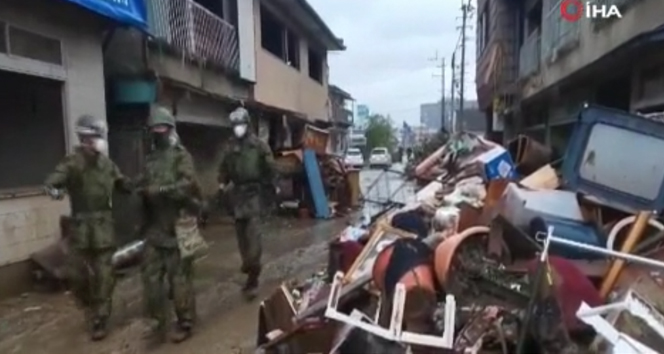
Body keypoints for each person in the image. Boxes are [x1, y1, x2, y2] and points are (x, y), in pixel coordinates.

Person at [43, 114, 132, 341]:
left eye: (94, 138)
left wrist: (132, 186)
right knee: (76, 276)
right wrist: (54, 190)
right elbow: (53, 182)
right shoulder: (72, 162)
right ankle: (90, 306)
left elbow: (122, 183)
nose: (91, 142)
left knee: (105, 277)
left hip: (103, 229)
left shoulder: (107, 164)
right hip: (81, 230)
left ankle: (100, 319)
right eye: (87, 138)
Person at [137, 106, 201, 343]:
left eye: (162, 128)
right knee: (151, 280)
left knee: (180, 280)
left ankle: (185, 321)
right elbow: (142, 184)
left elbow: (187, 184)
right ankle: (157, 322)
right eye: (154, 128)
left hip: (178, 226)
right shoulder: (151, 160)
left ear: (170, 129)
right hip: (155, 228)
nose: (158, 132)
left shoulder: (181, 156)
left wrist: (162, 191)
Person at [218, 107, 277, 299]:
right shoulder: (230, 147)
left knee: (253, 239)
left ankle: (253, 276)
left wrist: (271, 187)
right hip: (238, 196)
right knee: (242, 239)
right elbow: (224, 169)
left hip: (255, 195)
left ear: (248, 125)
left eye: (241, 125)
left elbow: (270, 169)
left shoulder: (259, 146)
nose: (238, 128)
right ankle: (249, 267)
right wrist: (221, 185)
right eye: (235, 125)